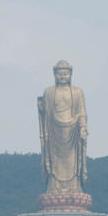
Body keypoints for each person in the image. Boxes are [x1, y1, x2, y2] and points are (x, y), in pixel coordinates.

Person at [37, 61, 88, 201]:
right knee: (54, 161)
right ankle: (54, 188)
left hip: (73, 132)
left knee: (73, 161)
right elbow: (46, 114)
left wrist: (83, 127)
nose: (62, 76)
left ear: (71, 75)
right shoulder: (49, 92)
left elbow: (82, 113)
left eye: (65, 73)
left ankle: (74, 187)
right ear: (54, 75)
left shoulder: (77, 92)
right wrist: (41, 110)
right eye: (59, 73)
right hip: (54, 132)